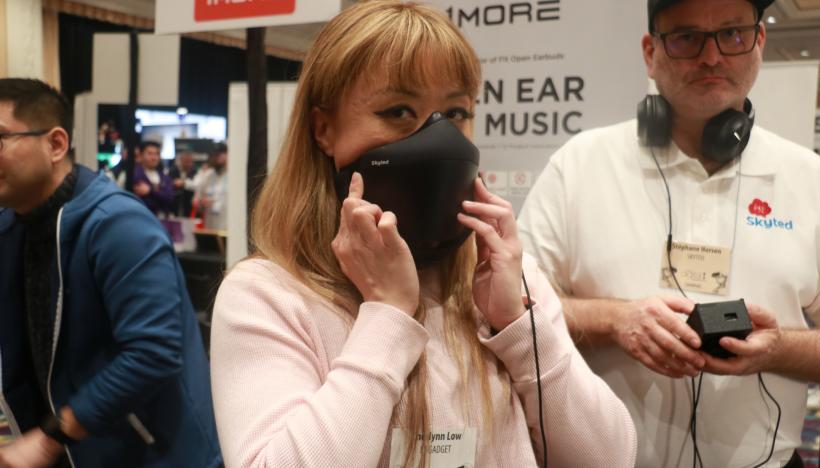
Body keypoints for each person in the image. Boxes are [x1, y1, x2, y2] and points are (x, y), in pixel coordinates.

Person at [209, 1, 636, 467]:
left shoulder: (504, 277)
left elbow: (609, 457)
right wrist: (388, 314)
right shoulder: (269, 294)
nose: (438, 138)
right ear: (323, 128)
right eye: (398, 110)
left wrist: (518, 327)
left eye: (455, 112)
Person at [517, 0, 820, 466]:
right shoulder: (581, 165)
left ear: (759, 42)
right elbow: (512, 308)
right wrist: (615, 320)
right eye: (686, 38)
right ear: (651, 52)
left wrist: (780, 349)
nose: (712, 57)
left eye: (733, 34)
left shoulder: (812, 180)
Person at [0, 78, 222, 467]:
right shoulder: (12, 225)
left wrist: (52, 436)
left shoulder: (117, 224)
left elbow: (152, 353)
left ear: (55, 144)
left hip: (155, 454)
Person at [132, 140, 174, 216]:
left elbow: (169, 198)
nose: (154, 157)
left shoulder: (164, 177)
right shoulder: (135, 175)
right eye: (150, 154)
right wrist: (159, 194)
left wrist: (150, 191)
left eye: (157, 154)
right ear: (141, 156)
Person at [192, 143, 228, 231]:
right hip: (210, 229)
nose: (216, 157)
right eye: (214, 155)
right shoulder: (207, 176)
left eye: (219, 154)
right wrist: (201, 203)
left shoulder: (234, 176)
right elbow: (196, 201)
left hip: (228, 230)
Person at [169, 149, 197, 217]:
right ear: (181, 160)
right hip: (175, 203)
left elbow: (195, 185)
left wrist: (183, 183)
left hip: (188, 203)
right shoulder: (173, 170)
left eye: (190, 161)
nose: (189, 164)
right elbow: (168, 183)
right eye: (186, 161)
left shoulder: (194, 172)